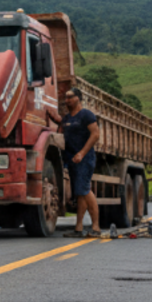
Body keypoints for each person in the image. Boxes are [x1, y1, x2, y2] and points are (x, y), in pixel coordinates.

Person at [52, 87, 101, 237]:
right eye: (65, 98)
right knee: (79, 193)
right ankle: (78, 228)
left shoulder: (86, 115)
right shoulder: (67, 119)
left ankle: (96, 228)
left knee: (85, 190)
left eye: (70, 97)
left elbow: (95, 134)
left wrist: (82, 153)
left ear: (78, 98)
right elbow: (61, 130)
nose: (67, 100)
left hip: (85, 159)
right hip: (71, 160)